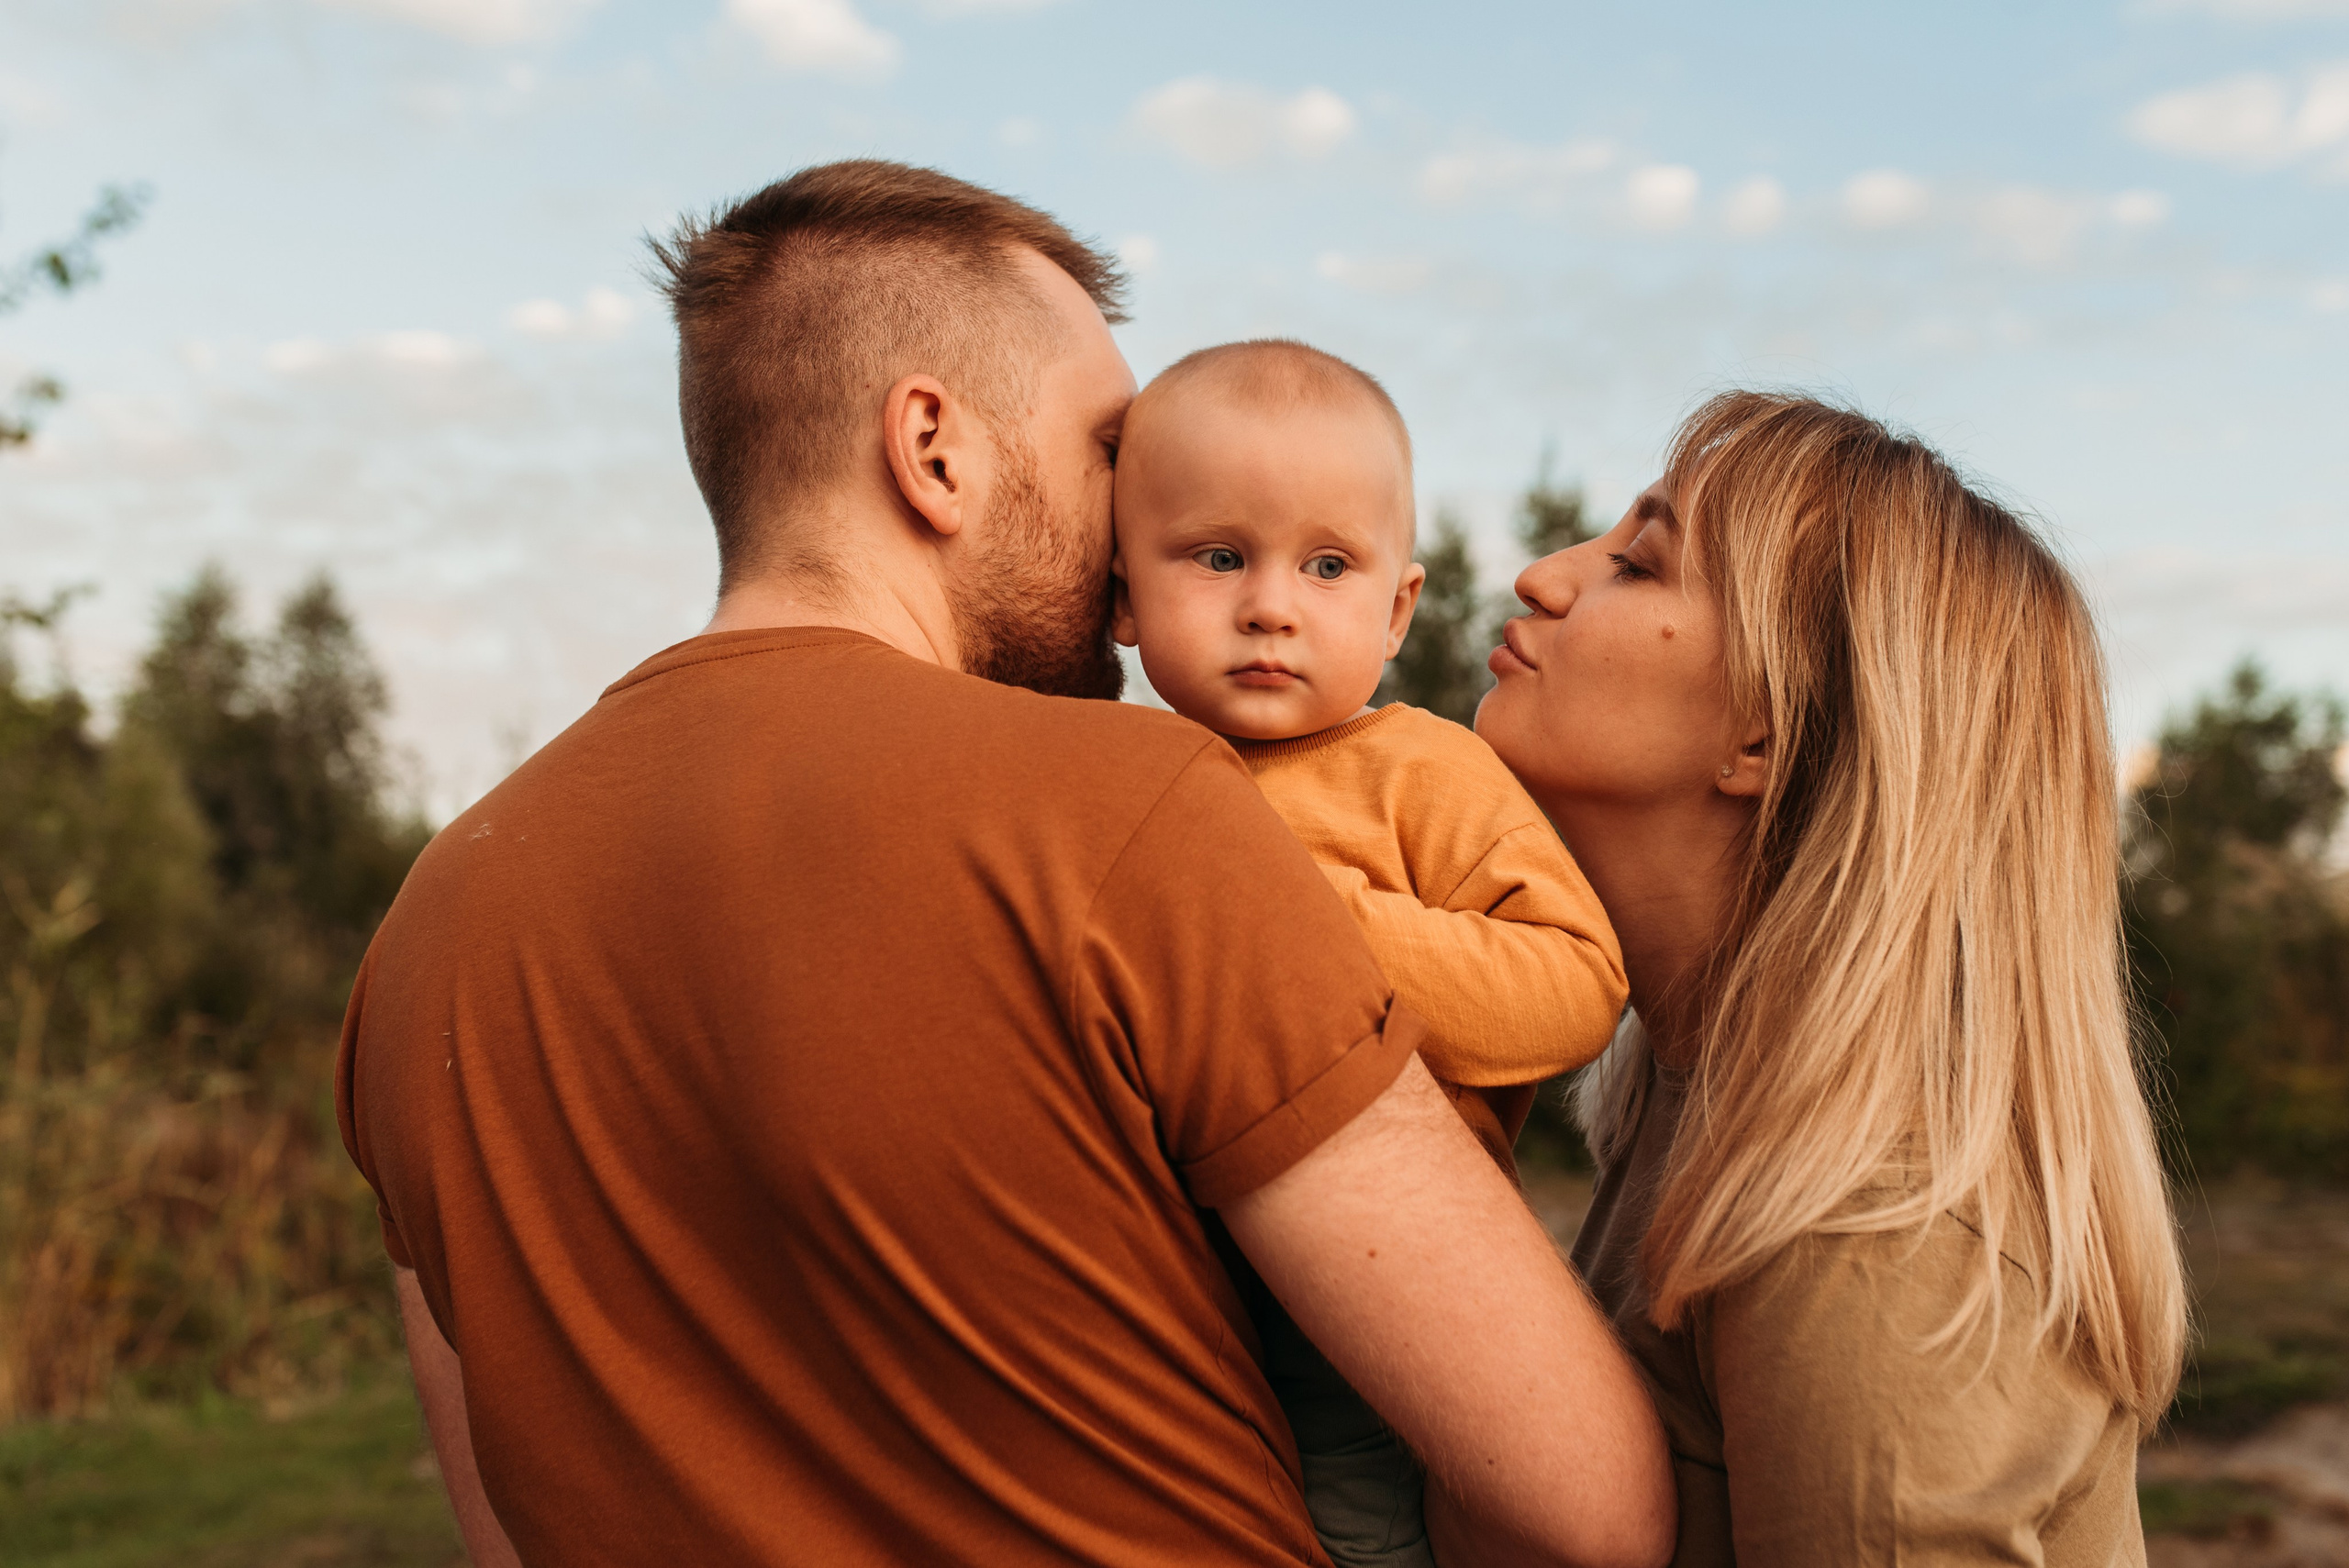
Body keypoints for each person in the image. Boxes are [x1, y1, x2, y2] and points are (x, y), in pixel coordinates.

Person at [335, 161, 1674, 1568]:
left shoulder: (431, 928)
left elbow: (504, 1524)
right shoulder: (1141, 812)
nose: (1129, 521)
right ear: (934, 447)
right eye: (1109, 448)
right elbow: (1584, 1499)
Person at [1460, 390, 2188, 1566]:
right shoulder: (1702, 1105)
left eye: (1638, 566)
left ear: (1762, 729)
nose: (1543, 576)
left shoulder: (1862, 1236)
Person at [1111, 339, 1631, 1568]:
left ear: (1399, 607)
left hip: (1371, 1301)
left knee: (1354, 1538)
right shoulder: (1112, 776)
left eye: (1328, 565)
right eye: (1219, 556)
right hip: (1158, 1301)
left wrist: (1313, 922)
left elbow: (1574, 983)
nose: (1272, 604)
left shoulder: (1422, 770)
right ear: (1124, 596)